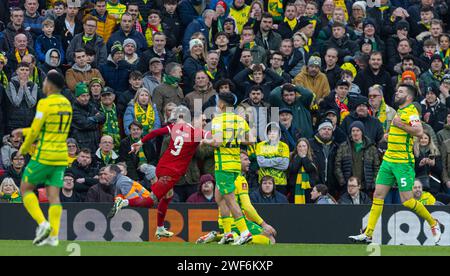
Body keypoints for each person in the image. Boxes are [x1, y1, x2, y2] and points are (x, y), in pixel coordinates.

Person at [349, 84, 442, 245]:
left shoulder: (411, 111)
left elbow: (419, 132)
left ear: (409, 97)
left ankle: (433, 223)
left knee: (407, 200)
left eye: (401, 92)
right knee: (378, 196)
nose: (397, 93)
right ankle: (369, 233)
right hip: (388, 160)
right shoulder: (399, 111)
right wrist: (390, 135)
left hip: (402, 163)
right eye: (397, 90)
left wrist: (400, 125)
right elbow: (402, 133)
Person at [110, 106, 208, 226]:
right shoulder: (197, 132)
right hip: (171, 172)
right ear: (194, 120)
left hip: (163, 167)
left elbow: (156, 132)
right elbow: (215, 140)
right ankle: (124, 202)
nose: (204, 123)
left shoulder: (177, 127)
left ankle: (160, 227)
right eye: (202, 120)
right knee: (150, 201)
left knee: (168, 196)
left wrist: (141, 142)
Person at [13, 70, 71, 247]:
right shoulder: (67, 103)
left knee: (25, 189)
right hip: (61, 156)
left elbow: (36, 131)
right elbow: (50, 128)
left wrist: (22, 150)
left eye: (45, 81)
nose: (43, 84)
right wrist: (22, 130)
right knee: (54, 197)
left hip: (45, 154)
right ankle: (53, 236)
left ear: (51, 85)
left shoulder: (45, 104)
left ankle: (42, 223)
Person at [202, 93, 255, 245]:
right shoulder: (239, 119)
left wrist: (206, 140)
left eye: (218, 102)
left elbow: (217, 143)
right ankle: (228, 233)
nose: (217, 104)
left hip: (223, 165)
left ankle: (244, 232)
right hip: (235, 164)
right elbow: (251, 140)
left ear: (223, 105)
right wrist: (235, 140)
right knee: (219, 197)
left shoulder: (218, 120)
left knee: (230, 200)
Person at [197, 151, 277, 245]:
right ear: (237, 161)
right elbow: (247, 207)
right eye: (245, 159)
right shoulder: (240, 180)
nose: (249, 162)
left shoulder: (222, 178)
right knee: (270, 240)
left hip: (223, 223)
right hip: (237, 222)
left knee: (242, 238)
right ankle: (226, 236)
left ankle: (226, 235)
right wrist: (263, 224)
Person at [335, 121, 380, 194]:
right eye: (353, 131)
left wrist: (373, 184)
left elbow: (377, 167)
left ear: (362, 132)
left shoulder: (371, 148)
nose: (355, 133)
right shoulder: (343, 146)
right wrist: (343, 182)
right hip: (348, 187)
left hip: (366, 187)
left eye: (358, 130)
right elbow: (337, 166)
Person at [2, 62, 42, 136]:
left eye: (27, 70)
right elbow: (16, 102)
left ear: (29, 72)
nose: (24, 72)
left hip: (29, 122)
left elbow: (32, 103)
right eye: (22, 69)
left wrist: (25, 87)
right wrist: (21, 87)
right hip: (14, 123)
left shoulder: (34, 85)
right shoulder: (11, 84)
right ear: (17, 71)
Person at [71, 82, 106, 153]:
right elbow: (85, 124)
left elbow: (103, 117)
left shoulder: (91, 106)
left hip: (95, 143)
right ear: (77, 97)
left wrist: (91, 119)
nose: (86, 98)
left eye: (87, 95)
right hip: (82, 145)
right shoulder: (73, 109)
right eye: (83, 96)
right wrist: (96, 119)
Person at [256, 123, 290, 195]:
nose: (272, 134)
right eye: (270, 132)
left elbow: (285, 166)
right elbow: (261, 163)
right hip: (264, 182)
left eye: (275, 132)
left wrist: (267, 161)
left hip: (280, 182)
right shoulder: (260, 145)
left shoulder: (284, 146)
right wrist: (278, 159)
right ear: (266, 133)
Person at [309, 119, 339, 196]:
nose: (326, 131)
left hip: (331, 186)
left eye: (329, 129)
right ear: (319, 130)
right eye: (324, 129)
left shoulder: (336, 146)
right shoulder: (310, 144)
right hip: (314, 185)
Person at [288, 138, 318, 204]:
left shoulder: (313, 157)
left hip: (308, 188)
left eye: (304, 146)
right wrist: (299, 157)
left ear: (308, 147)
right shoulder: (292, 157)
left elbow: (310, 169)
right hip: (294, 188)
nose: (302, 148)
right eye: (300, 146)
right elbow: (293, 169)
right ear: (296, 148)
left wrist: (304, 158)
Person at [414, 132, 444, 196]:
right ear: (418, 139)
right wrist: (419, 165)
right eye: (421, 138)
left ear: (429, 140)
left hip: (433, 183)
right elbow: (410, 169)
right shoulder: (413, 151)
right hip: (418, 183)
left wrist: (433, 164)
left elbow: (440, 170)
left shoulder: (435, 151)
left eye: (426, 138)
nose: (423, 140)